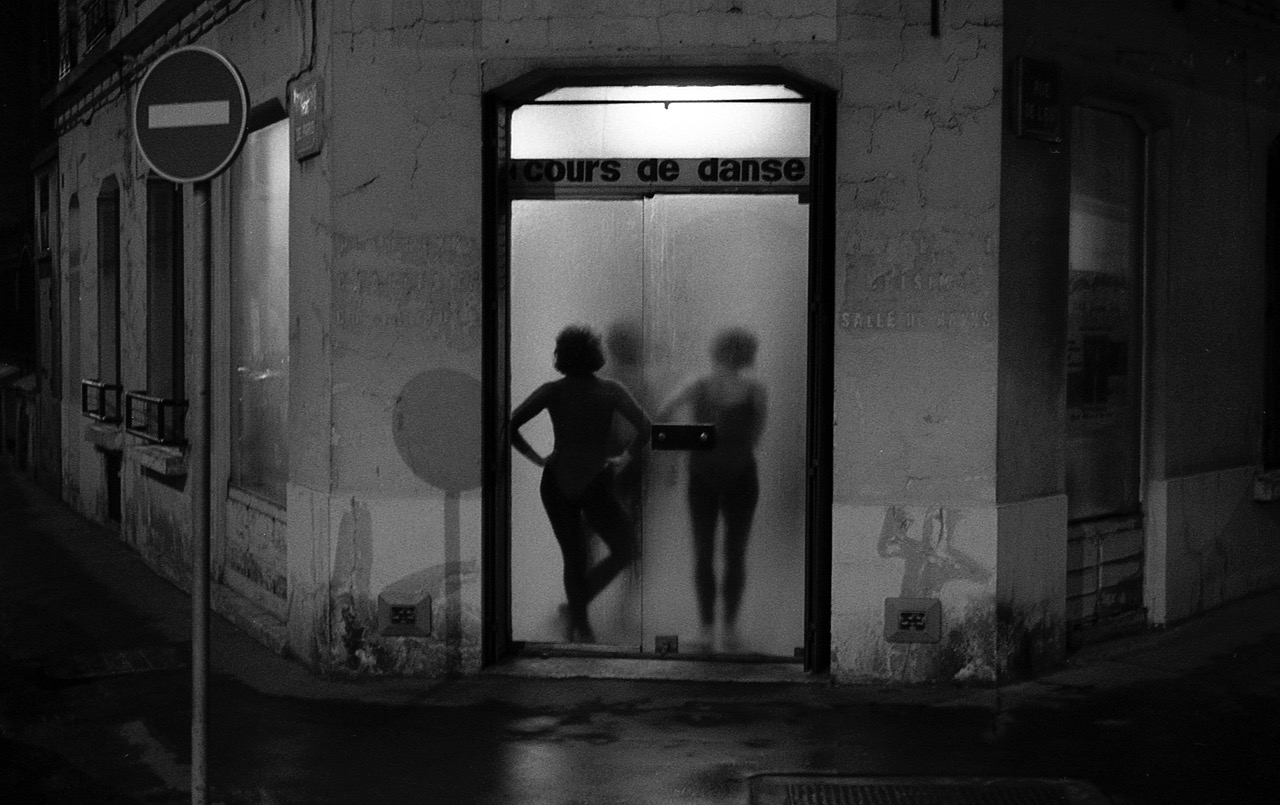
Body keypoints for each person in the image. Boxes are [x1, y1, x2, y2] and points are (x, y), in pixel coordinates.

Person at [510, 324, 651, 643]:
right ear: (595, 355)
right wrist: (624, 457)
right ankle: (577, 617)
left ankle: (580, 624)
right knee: (626, 549)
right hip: (596, 480)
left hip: (556, 480)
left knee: (573, 558)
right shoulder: (611, 391)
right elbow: (645, 427)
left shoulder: (552, 391)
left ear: (561, 357)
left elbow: (511, 426)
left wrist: (538, 459)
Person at [657, 327, 767, 651]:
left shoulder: (699, 384)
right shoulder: (755, 389)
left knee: (706, 551)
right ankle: (727, 628)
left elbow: (665, 412)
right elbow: (756, 435)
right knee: (733, 552)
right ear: (747, 354)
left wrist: (682, 452)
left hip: (704, 473)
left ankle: (708, 629)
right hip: (739, 473)